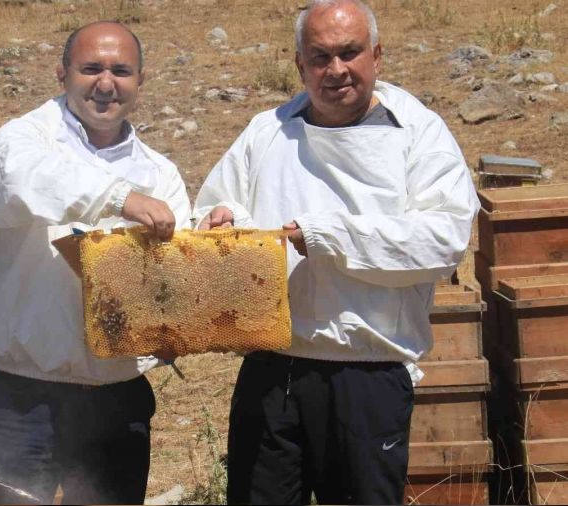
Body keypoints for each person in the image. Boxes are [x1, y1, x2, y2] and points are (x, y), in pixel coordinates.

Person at [194, 1, 479, 504]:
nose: (337, 70)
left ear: (377, 55)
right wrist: (219, 223)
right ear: (299, 64)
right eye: (320, 56)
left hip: (367, 369)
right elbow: (218, 205)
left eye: (350, 53)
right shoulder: (266, 132)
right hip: (271, 365)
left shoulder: (419, 134)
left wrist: (323, 235)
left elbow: (442, 240)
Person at [0, 21, 191, 504]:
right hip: (24, 398)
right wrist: (120, 199)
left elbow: (171, 281)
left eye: (121, 71)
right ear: (62, 74)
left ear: (140, 81)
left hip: (118, 397)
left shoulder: (161, 173)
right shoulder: (22, 140)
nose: (105, 83)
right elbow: (24, 180)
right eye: (90, 69)